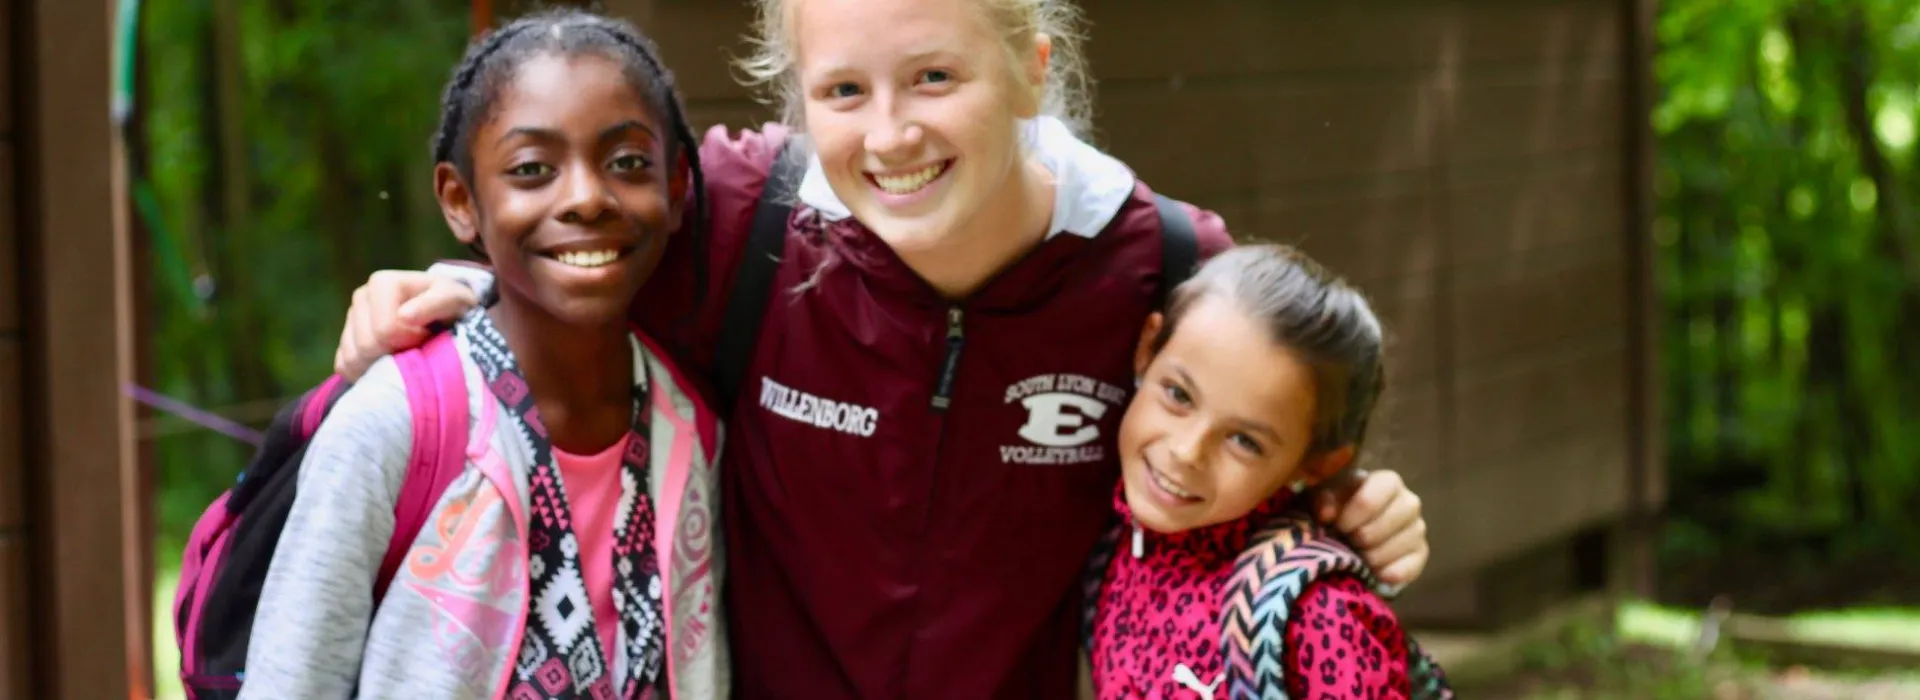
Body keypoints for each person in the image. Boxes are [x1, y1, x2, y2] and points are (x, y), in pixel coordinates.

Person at [331, 0, 1432, 696]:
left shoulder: (1163, 264)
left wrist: (1340, 500)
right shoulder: (740, 222)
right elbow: (579, 252)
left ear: (1032, 66)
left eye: (936, 78)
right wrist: (456, 292)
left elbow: (1236, 448)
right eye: (845, 92)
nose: (892, 134)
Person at [239, 10, 729, 699]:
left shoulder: (691, 429)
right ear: (461, 200)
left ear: (676, 187)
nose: (586, 198)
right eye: (532, 169)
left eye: (626, 163)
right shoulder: (394, 425)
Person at [1087, 245, 1451, 699]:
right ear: (1147, 349)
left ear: (1316, 464)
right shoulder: (1116, 541)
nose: (1186, 451)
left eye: (1245, 441)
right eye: (1179, 395)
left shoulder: (1321, 620)